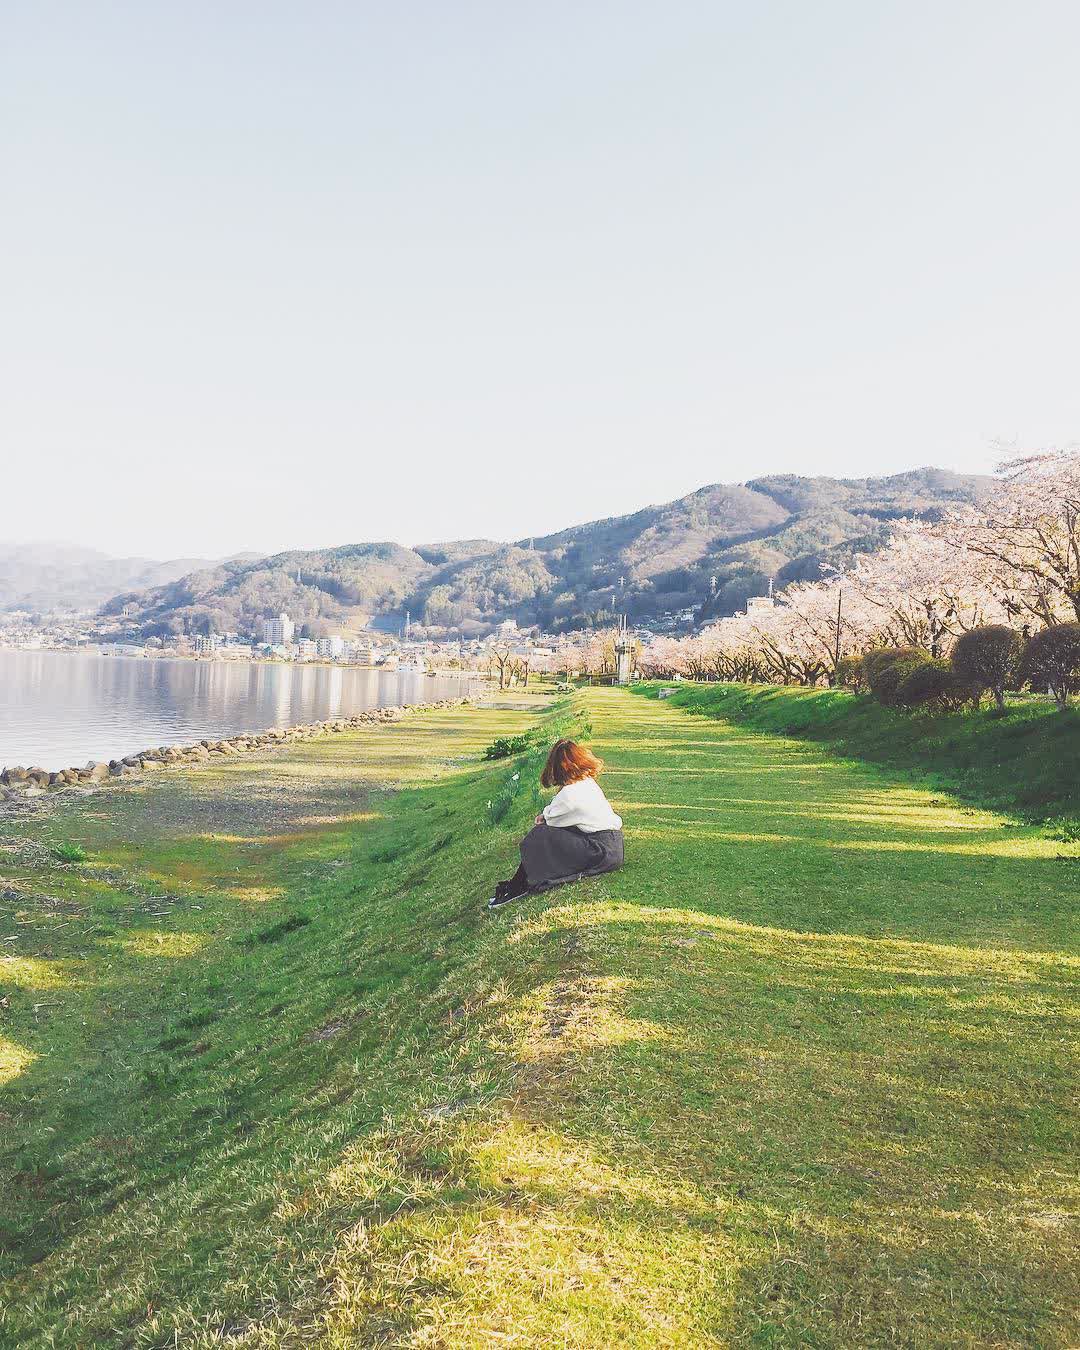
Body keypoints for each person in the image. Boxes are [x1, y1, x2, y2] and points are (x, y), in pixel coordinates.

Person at [488, 739, 624, 909]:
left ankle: (519, 886)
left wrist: (543, 817)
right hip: (613, 848)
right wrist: (547, 816)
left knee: (539, 836)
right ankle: (518, 884)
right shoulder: (587, 782)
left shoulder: (569, 793)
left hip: (600, 851)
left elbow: (550, 821)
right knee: (552, 834)